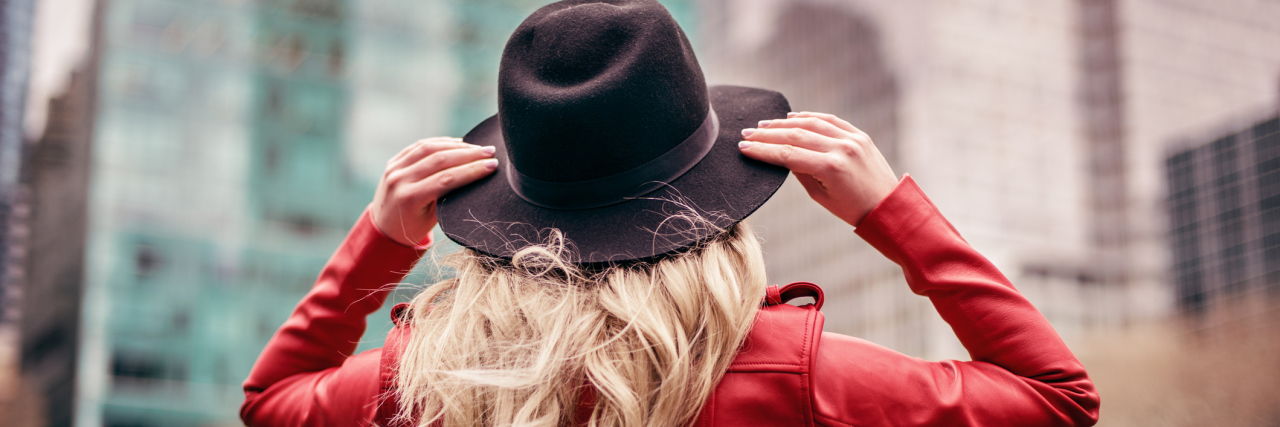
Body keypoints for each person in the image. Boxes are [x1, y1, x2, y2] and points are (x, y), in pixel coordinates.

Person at [239, 1, 1100, 426]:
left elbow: (269, 401)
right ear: (715, 201)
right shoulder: (795, 379)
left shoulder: (430, 379)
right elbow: (1060, 398)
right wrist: (891, 212)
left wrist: (380, 242)